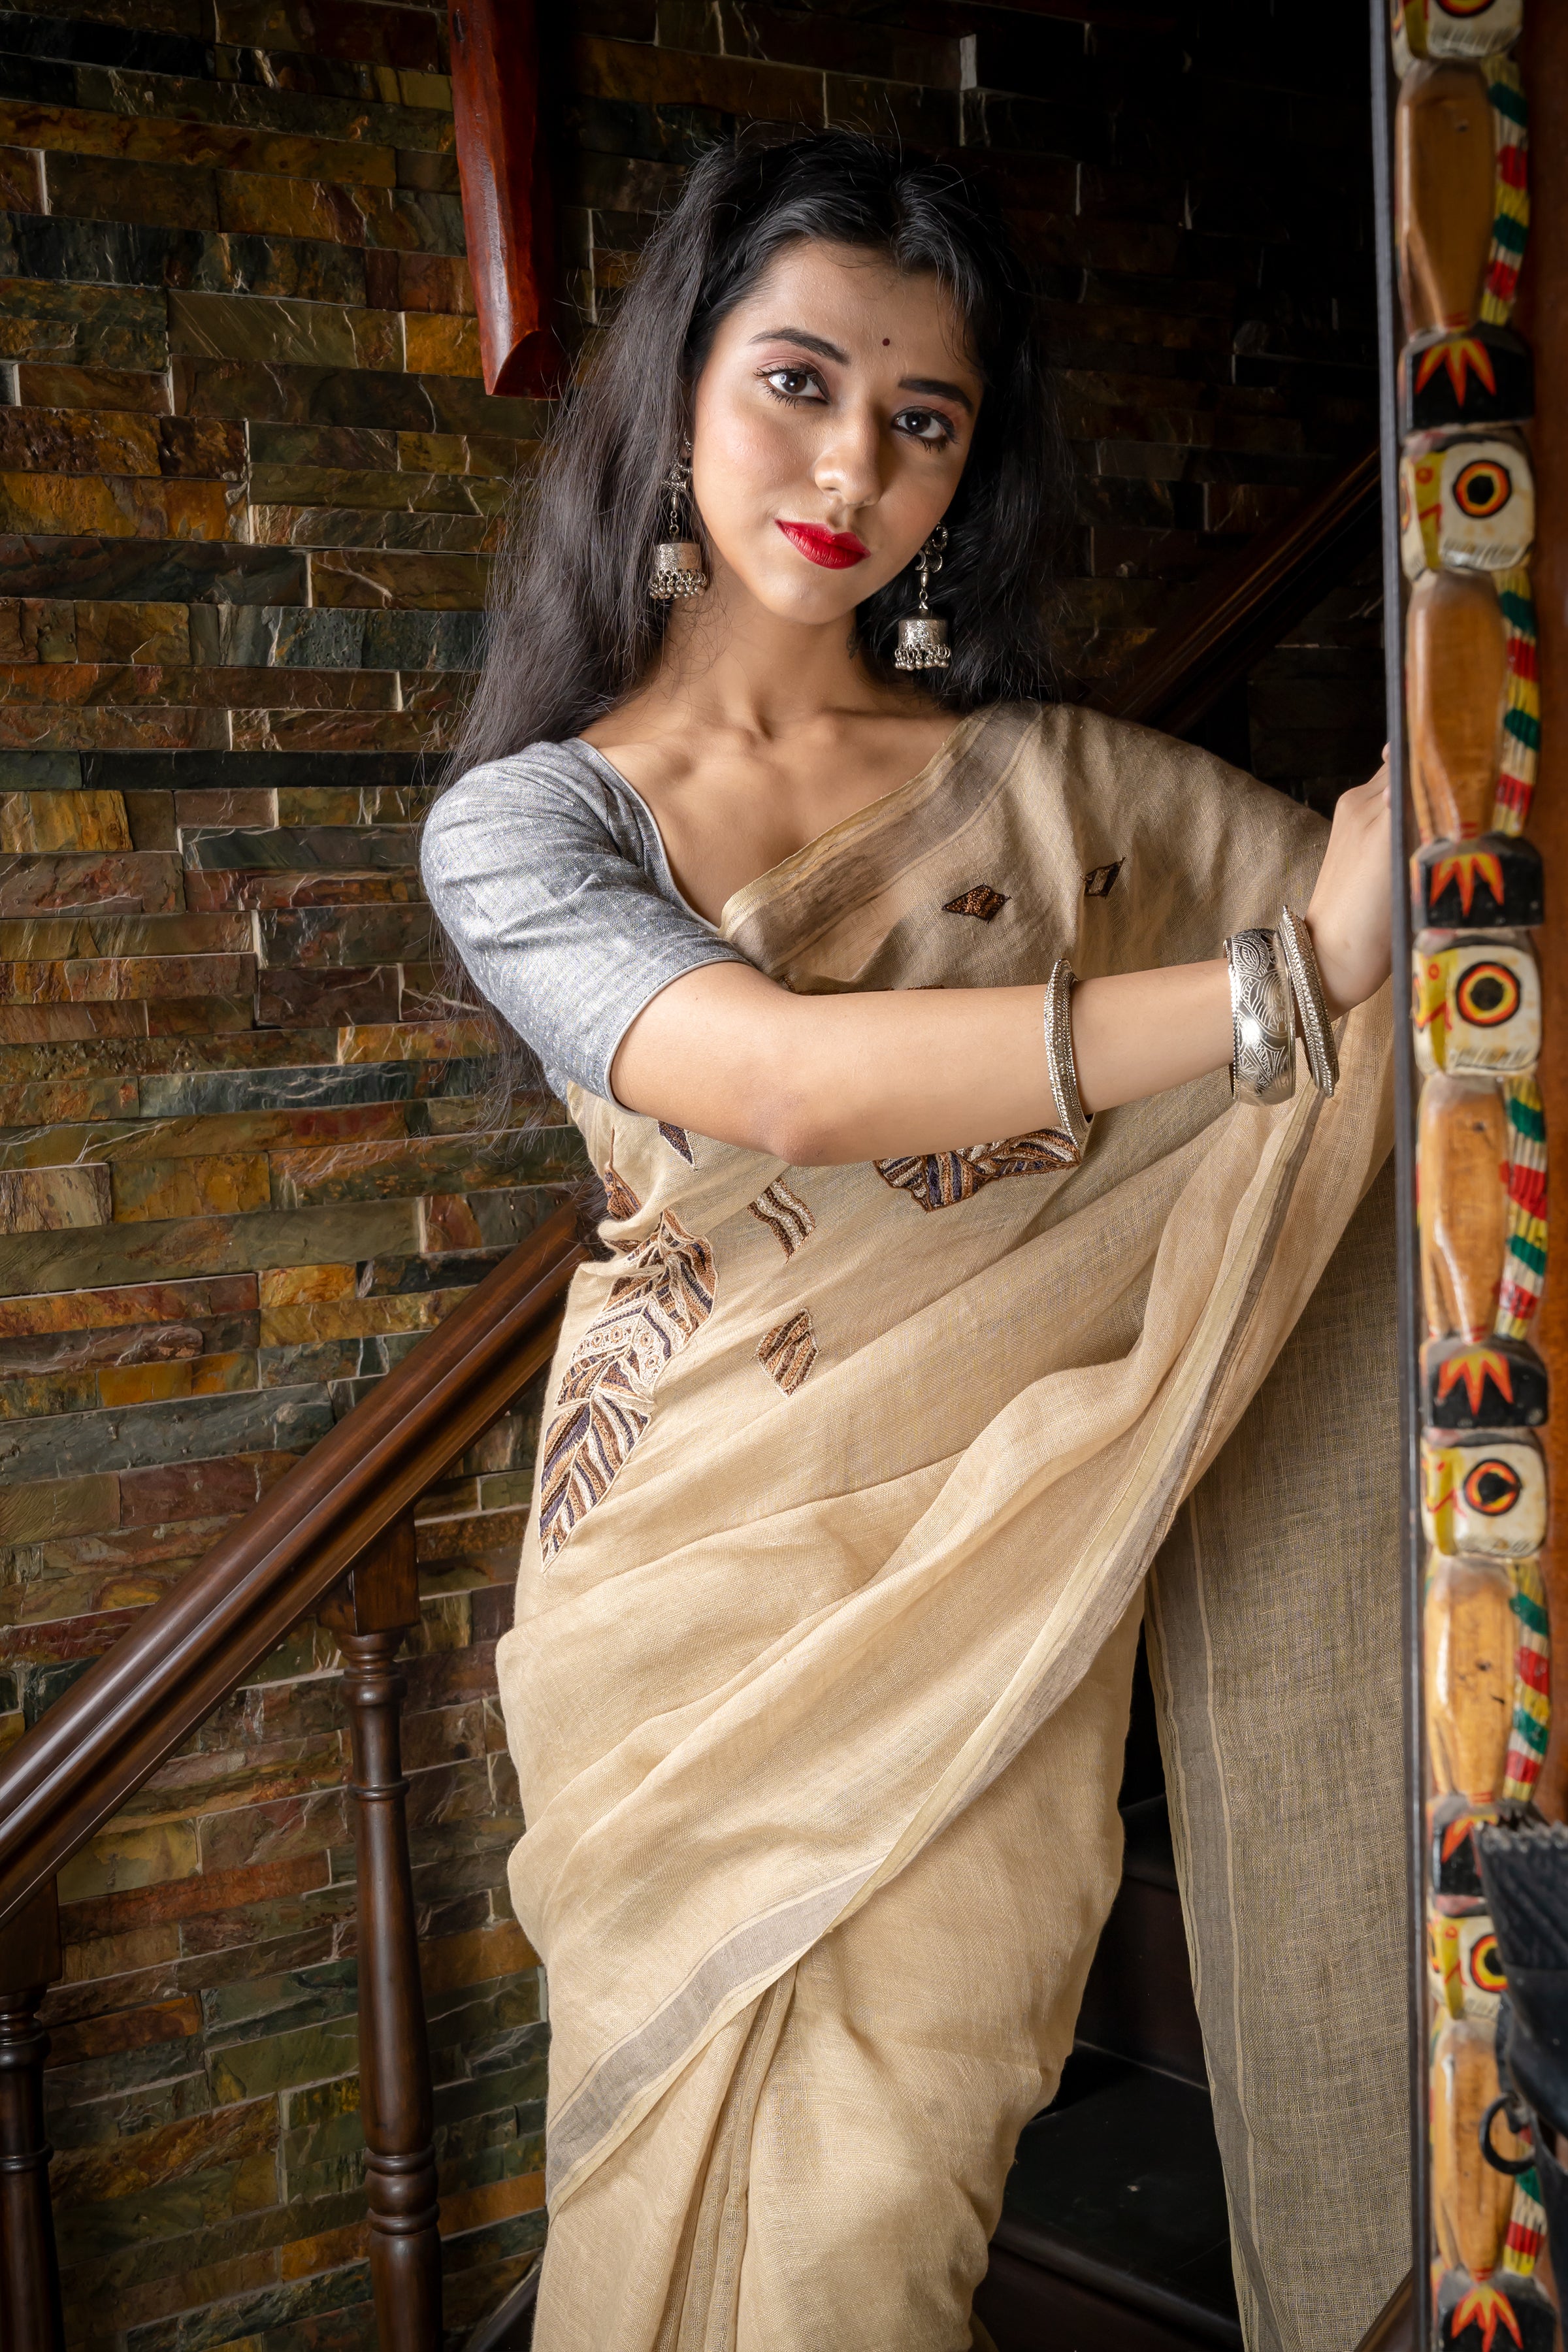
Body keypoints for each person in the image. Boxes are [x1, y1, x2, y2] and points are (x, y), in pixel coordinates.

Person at [422, 129, 1407, 2352]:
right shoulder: (528, 823)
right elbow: (778, 1080)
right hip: (693, 1590)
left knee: (885, 2223)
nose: (851, 460)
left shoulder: (1070, 807)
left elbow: (1426, 999)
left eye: (923, 418)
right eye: (797, 380)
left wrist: (1388, 912)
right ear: (678, 386)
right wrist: (1288, 986)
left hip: (991, 1566)